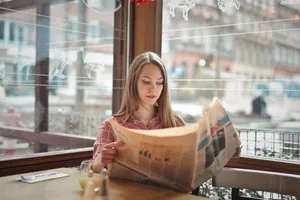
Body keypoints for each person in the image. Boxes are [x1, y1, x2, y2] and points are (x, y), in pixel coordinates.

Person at [91, 52, 185, 172]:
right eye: (146, 81)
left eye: (159, 82)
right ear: (133, 83)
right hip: (126, 190)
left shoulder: (175, 123)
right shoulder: (111, 126)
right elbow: (92, 173)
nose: (153, 89)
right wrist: (100, 160)